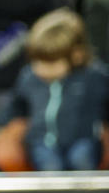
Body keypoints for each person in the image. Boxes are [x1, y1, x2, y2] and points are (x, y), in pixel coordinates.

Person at [9, 9, 109, 171]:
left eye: (51, 63)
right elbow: (16, 109)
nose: (42, 70)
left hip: (82, 139)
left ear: (76, 55)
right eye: (37, 62)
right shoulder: (29, 77)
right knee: (49, 165)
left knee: (81, 159)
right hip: (42, 141)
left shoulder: (94, 77)